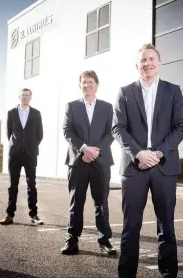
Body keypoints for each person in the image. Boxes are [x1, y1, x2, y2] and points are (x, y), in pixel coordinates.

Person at [112, 43, 183, 278]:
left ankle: (168, 274)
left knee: (166, 226)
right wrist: (139, 153)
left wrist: (158, 152)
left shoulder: (173, 91)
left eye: (152, 59)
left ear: (159, 63)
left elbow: (182, 127)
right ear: (137, 66)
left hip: (164, 167)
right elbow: (118, 128)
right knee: (130, 227)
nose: (148, 63)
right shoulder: (125, 92)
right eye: (143, 60)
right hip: (134, 168)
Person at [61, 70, 116, 255]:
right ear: (80, 85)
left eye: (90, 82)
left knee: (101, 202)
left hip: (100, 161)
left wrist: (94, 151)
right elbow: (67, 131)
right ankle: (72, 239)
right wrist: (84, 148)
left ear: (97, 85)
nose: (87, 85)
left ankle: (104, 240)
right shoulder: (71, 106)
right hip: (77, 161)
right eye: (84, 82)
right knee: (76, 201)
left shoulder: (107, 107)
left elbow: (111, 132)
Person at [0, 88, 44, 225]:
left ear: (31, 97)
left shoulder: (36, 113)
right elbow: (9, 134)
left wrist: (30, 145)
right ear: (19, 97)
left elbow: (40, 134)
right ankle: (9, 214)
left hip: (31, 154)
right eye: (23, 95)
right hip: (15, 154)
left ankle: (34, 214)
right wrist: (17, 145)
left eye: (27, 95)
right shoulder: (11, 113)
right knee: (13, 185)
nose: (25, 97)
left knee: (32, 185)